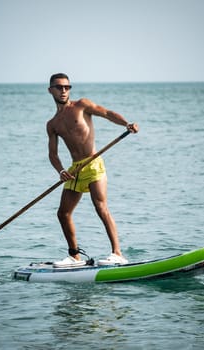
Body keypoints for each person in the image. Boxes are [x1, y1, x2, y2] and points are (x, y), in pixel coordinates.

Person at [46, 73, 138, 268]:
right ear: (50, 90)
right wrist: (61, 171)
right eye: (59, 87)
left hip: (94, 164)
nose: (64, 90)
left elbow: (106, 113)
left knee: (100, 206)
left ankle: (117, 253)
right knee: (63, 213)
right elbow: (53, 154)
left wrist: (126, 124)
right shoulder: (52, 124)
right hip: (75, 169)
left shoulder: (81, 105)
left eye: (67, 87)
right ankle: (74, 257)